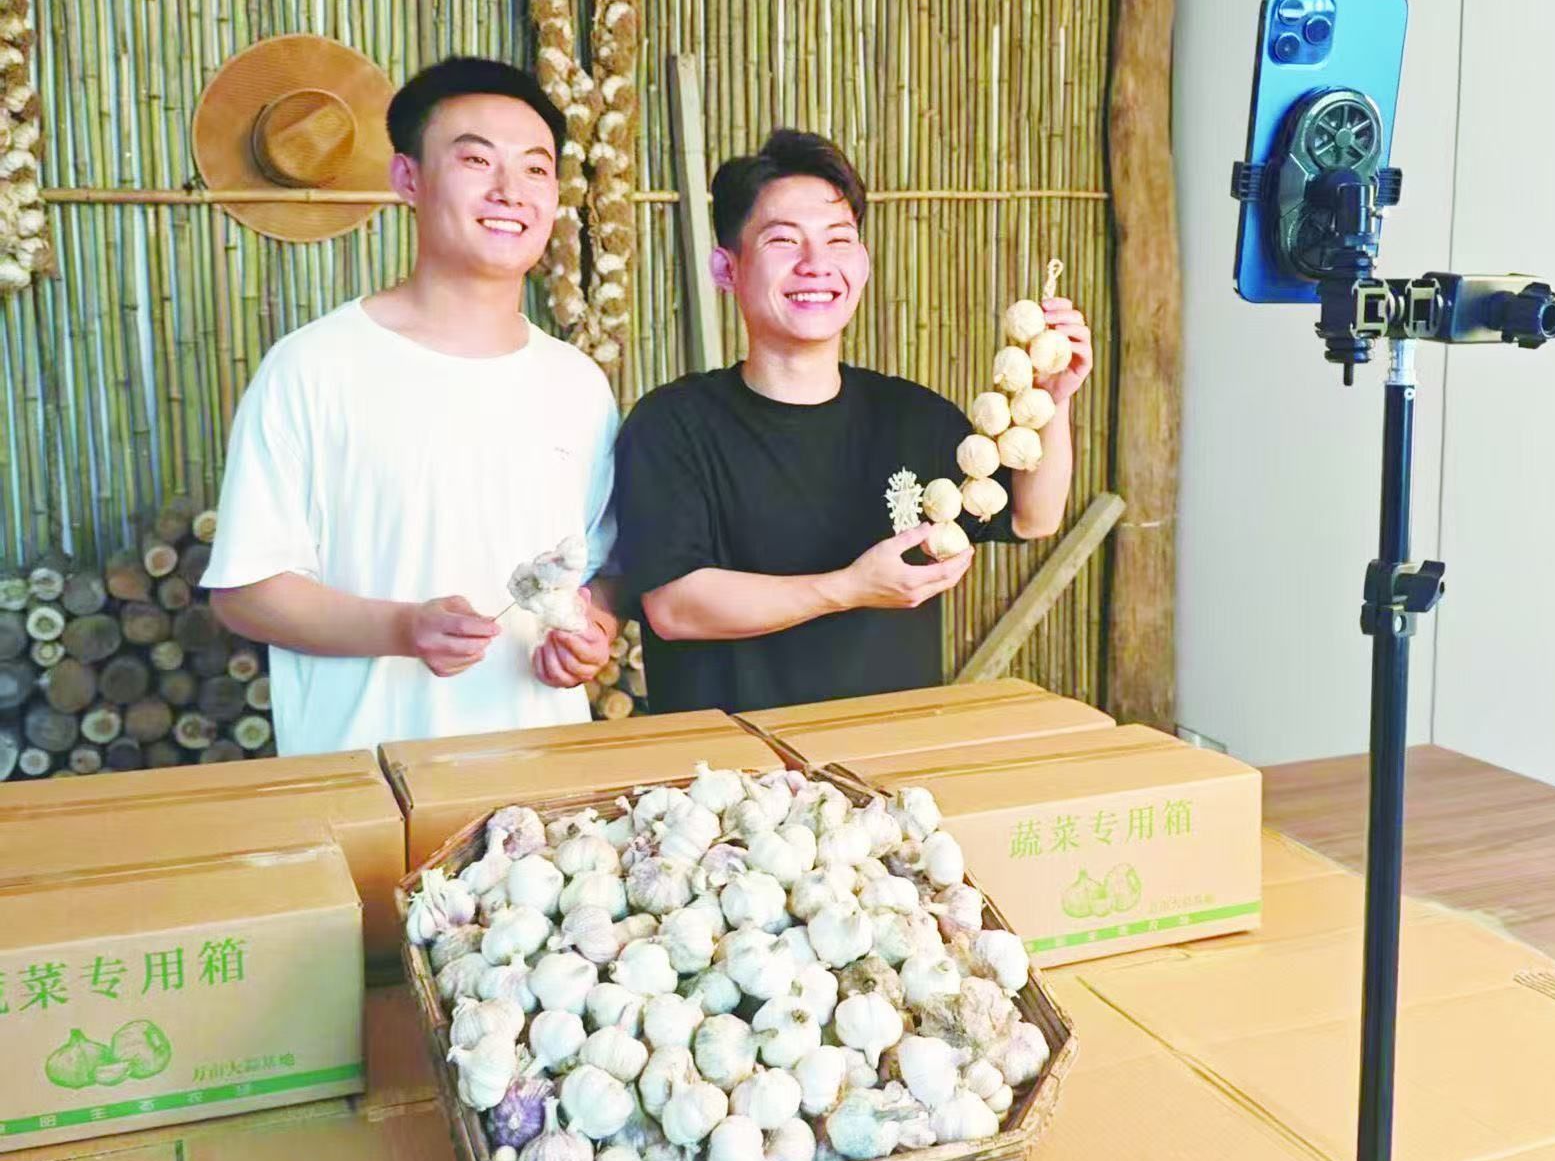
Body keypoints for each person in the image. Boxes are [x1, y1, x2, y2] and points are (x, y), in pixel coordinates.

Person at [204, 57, 620, 754]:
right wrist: (401, 628)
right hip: (366, 777)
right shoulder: (314, 368)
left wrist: (593, 631)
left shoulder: (577, 382)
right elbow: (245, 591)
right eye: (476, 161)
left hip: (543, 780)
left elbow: (601, 571)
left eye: (536, 169)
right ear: (408, 178)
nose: (510, 191)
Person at [614, 129, 1094, 714]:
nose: (816, 265)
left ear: (863, 264)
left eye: (839, 240)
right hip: (727, 762)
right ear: (726, 267)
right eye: (783, 241)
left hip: (889, 757)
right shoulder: (672, 424)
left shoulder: (913, 416)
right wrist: (847, 588)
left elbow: (1032, 516)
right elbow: (674, 608)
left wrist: (1053, 401)